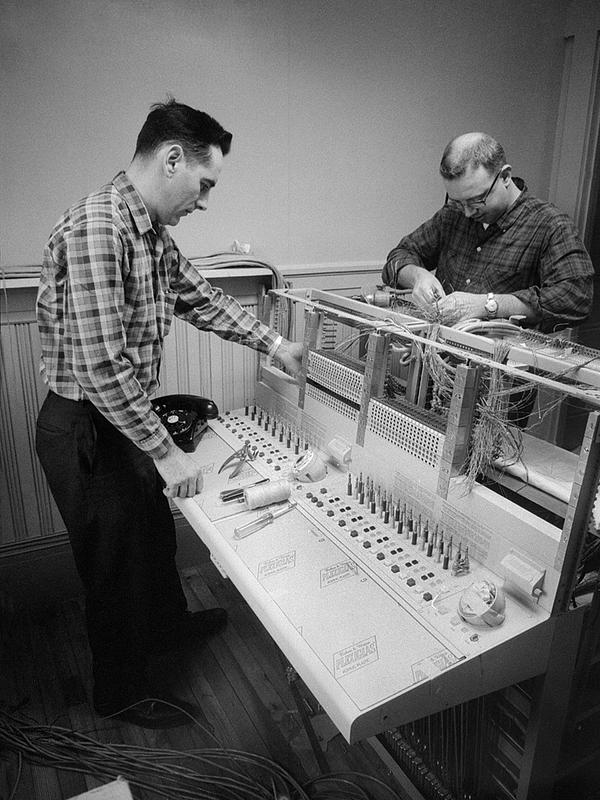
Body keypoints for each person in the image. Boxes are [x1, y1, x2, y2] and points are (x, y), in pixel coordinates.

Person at [35, 98, 303, 729]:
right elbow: (101, 365)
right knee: (115, 564)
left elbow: (201, 298)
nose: (204, 200)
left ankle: (166, 627)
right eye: (204, 183)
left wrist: (276, 343)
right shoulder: (98, 228)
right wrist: (163, 450)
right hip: (85, 428)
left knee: (152, 535)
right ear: (172, 158)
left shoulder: (150, 233)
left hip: (117, 418)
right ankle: (121, 690)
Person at [382, 132, 594, 333]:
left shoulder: (551, 225)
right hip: (440, 353)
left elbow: (575, 298)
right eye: (458, 201)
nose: (466, 212)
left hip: (501, 364)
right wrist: (418, 276)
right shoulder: (453, 214)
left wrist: (488, 304)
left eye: (477, 200)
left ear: (505, 176)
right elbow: (399, 256)